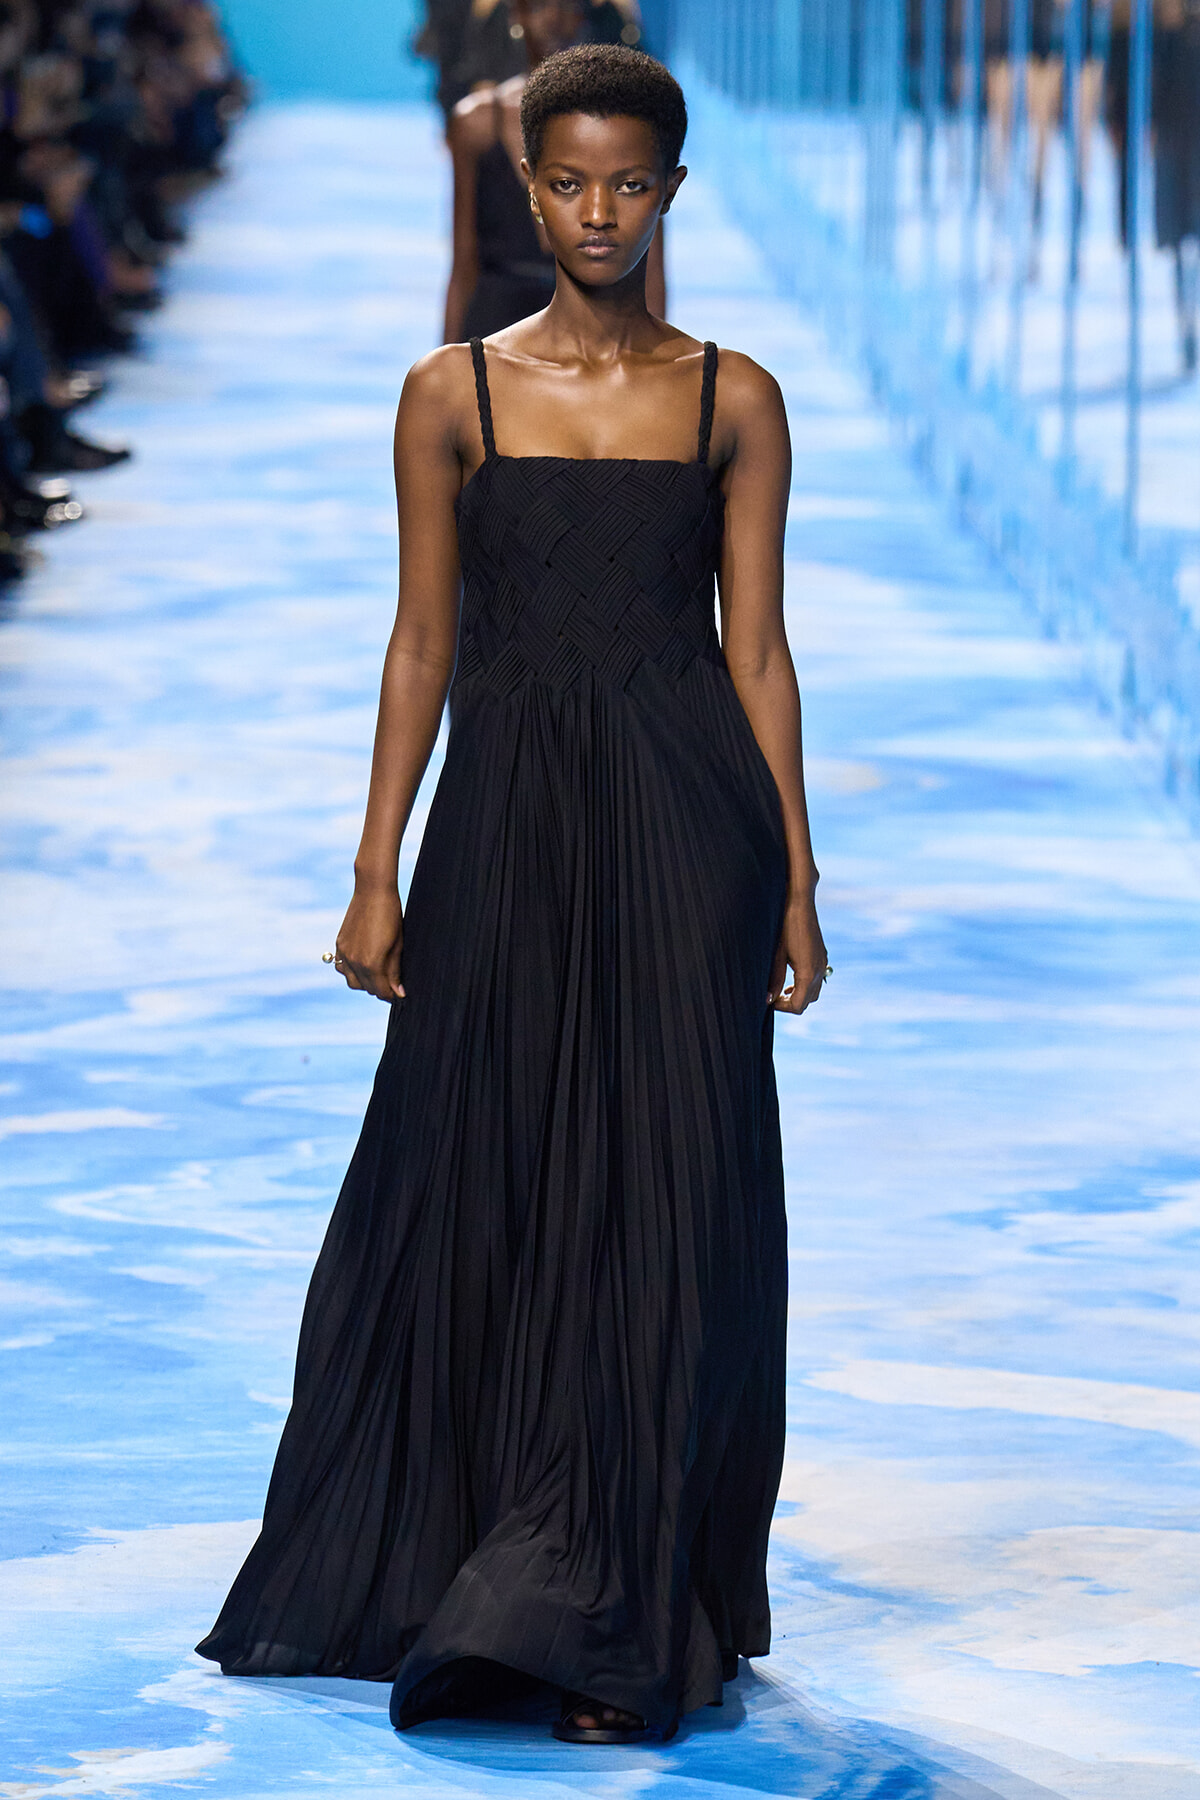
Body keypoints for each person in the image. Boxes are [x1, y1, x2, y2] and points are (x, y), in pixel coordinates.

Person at [197, 44, 828, 1746]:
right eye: (570, 181)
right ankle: (493, 1558)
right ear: (522, 187)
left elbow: (755, 656)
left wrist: (797, 876)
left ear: (673, 192)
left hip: (688, 827)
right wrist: (372, 865)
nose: (599, 211)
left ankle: (619, 1598)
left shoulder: (735, 399)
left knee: (664, 1192)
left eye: (632, 182)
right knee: (485, 1167)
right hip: (501, 829)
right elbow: (421, 642)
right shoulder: (450, 396)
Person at [443, 0, 663, 341]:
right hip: (493, 331)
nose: (555, 21)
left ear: (584, 16)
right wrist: (448, 369)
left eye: (568, 6)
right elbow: (463, 262)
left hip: (594, 332)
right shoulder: (477, 124)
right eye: (540, 6)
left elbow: (650, 265)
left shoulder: (628, 128)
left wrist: (655, 364)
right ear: (517, 15)